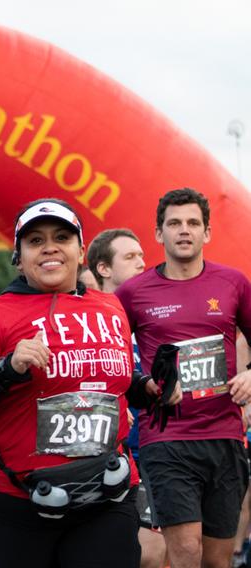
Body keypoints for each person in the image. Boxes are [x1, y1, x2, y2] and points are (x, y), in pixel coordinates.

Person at [0, 198, 176, 567]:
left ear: (80, 251)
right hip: (19, 504)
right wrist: (7, 369)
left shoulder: (110, 308)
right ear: (18, 257)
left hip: (105, 497)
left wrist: (149, 390)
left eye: (62, 237)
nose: (49, 247)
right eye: (35, 241)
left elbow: (117, 385)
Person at [116, 188, 251, 568]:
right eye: (174, 223)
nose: (184, 230)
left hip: (225, 436)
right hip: (166, 439)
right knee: (186, 552)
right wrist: (143, 385)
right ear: (159, 234)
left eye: (193, 223)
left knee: (216, 560)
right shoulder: (133, 292)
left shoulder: (234, 284)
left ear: (207, 233)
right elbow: (111, 358)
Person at [87, 228, 166, 568]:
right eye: (130, 257)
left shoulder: (153, 318)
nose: (142, 263)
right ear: (104, 269)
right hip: (97, 454)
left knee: (151, 552)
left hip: (152, 450)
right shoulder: (86, 319)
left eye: (142, 256)